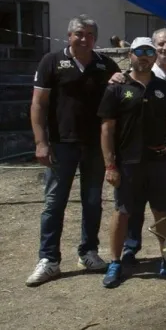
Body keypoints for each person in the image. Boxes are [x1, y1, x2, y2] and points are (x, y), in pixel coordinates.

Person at [26, 15, 120, 287]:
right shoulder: (52, 61)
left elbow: (119, 95)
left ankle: (88, 253)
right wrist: (41, 142)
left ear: (95, 39)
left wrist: (119, 79)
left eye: (90, 34)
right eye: (79, 33)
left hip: (94, 146)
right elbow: (38, 104)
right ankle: (49, 260)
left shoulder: (105, 65)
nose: (84, 39)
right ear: (69, 36)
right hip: (61, 144)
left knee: (92, 201)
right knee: (54, 202)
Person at [97, 37, 166, 288]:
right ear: (130, 55)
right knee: (123, 212)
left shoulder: (163, 87)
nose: (144, 56)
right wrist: (110, 165)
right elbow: (107, 129)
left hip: (158, 161)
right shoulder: (117, 87)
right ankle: (115, 262)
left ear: (154, 56)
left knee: (161, 211)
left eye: (149, 51)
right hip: (127, 163)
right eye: (139, 51)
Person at [112, 29, 166, 268]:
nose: (164, 48)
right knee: (134, 205)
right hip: (138, 153)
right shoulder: (136, 76)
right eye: (160, 44)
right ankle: (131, 247)